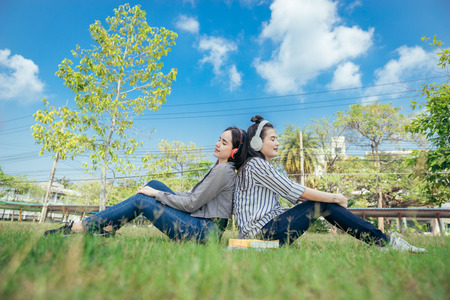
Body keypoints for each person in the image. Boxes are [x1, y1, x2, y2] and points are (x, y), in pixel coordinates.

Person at [233, 115, 426, 252]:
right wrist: (335, 197)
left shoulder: (254, 166)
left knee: (320, 204)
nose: (277, 143)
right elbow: (295, 191)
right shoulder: (257, 165)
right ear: (257, 143)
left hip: (265, 231)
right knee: (321, 204)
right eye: (273, 139)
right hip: (262, 234)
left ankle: (382, 241)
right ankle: (385, 242)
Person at [45, 126, 247, 243]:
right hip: (200, 224)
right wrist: (156, 191)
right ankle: (105, 230)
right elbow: (191, 196)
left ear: (235, 152)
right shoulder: (220, 169)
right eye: (219, 139)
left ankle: (81, 227)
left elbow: (192, 204)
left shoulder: (224, 171)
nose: (217, 144)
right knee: (154, 184)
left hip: (204, 232)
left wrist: (156, 195)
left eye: (224, 142)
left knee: (144, 198)